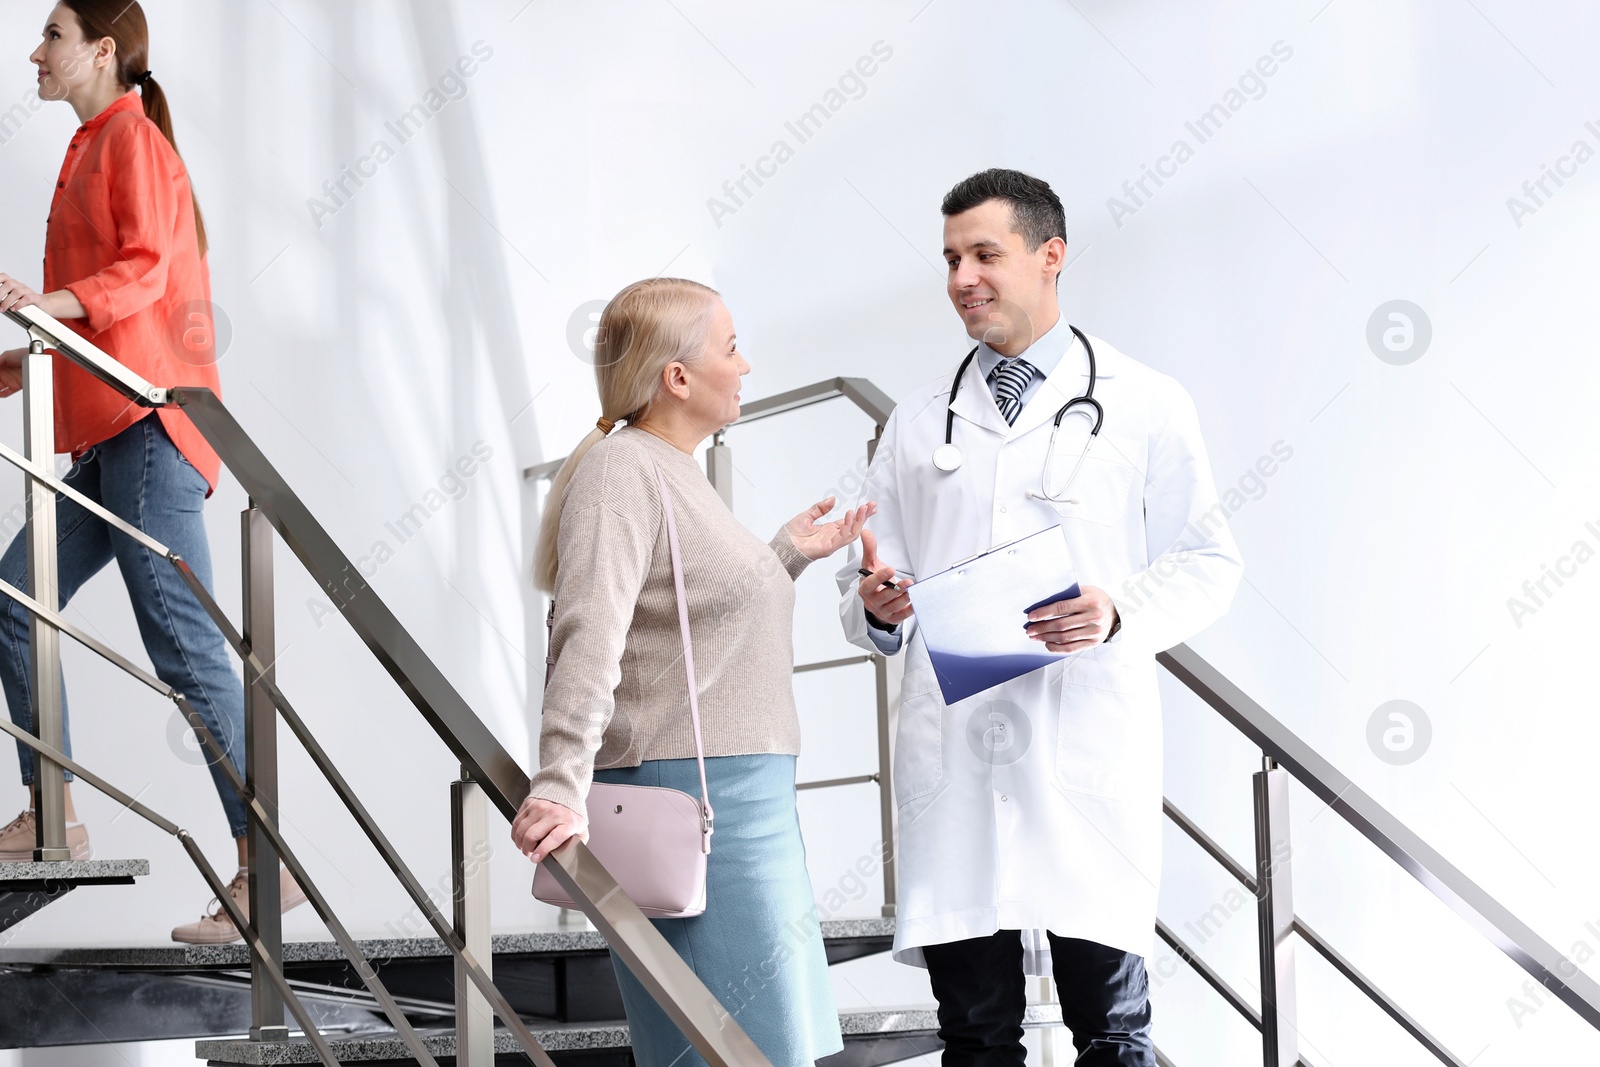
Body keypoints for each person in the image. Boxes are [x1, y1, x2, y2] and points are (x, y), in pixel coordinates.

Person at [836, 169, 1243, 1065]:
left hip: (1083, 749)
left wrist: (1118, 609)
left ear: (1050, 255)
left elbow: (1211, 564)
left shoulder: (1145, 401)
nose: (961, 279)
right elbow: (868, 584)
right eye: (950, 259)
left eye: (985, 254)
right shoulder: (914, 423)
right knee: (974, 1035)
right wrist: (876, 604)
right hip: (957, 755)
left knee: (1112, 1031)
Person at [0, 1, 304, 944]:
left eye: (51, 35)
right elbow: (104, 312)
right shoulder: (93, 143)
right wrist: (22, 350)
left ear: (101, 50)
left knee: (187, 651)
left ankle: (265, 864)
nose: (34, 51)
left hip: (149, 429)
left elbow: (141, 271)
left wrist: (45, 301)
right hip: (107, 437)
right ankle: (56, 812)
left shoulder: (128, 136)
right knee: (15, 597)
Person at [513, 277, 865, 1066]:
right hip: (697, 797)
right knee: (740, 1047)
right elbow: (589, 632)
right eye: (731, 347)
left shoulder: (674, 471)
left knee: (766, 1046)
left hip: (746, 798)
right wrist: (561, 781)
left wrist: (783, 556)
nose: (746, 365)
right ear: (677, 375)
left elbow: (683, 628)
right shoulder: (622, 471)